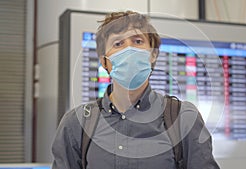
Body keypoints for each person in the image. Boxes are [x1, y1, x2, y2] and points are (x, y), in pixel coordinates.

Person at [52, 11, 220, 169]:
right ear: (104, 61)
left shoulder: (183, 118)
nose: (129, 49)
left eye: (138, 41)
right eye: (118, 43)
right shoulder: (76, 123)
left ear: (153, 55)